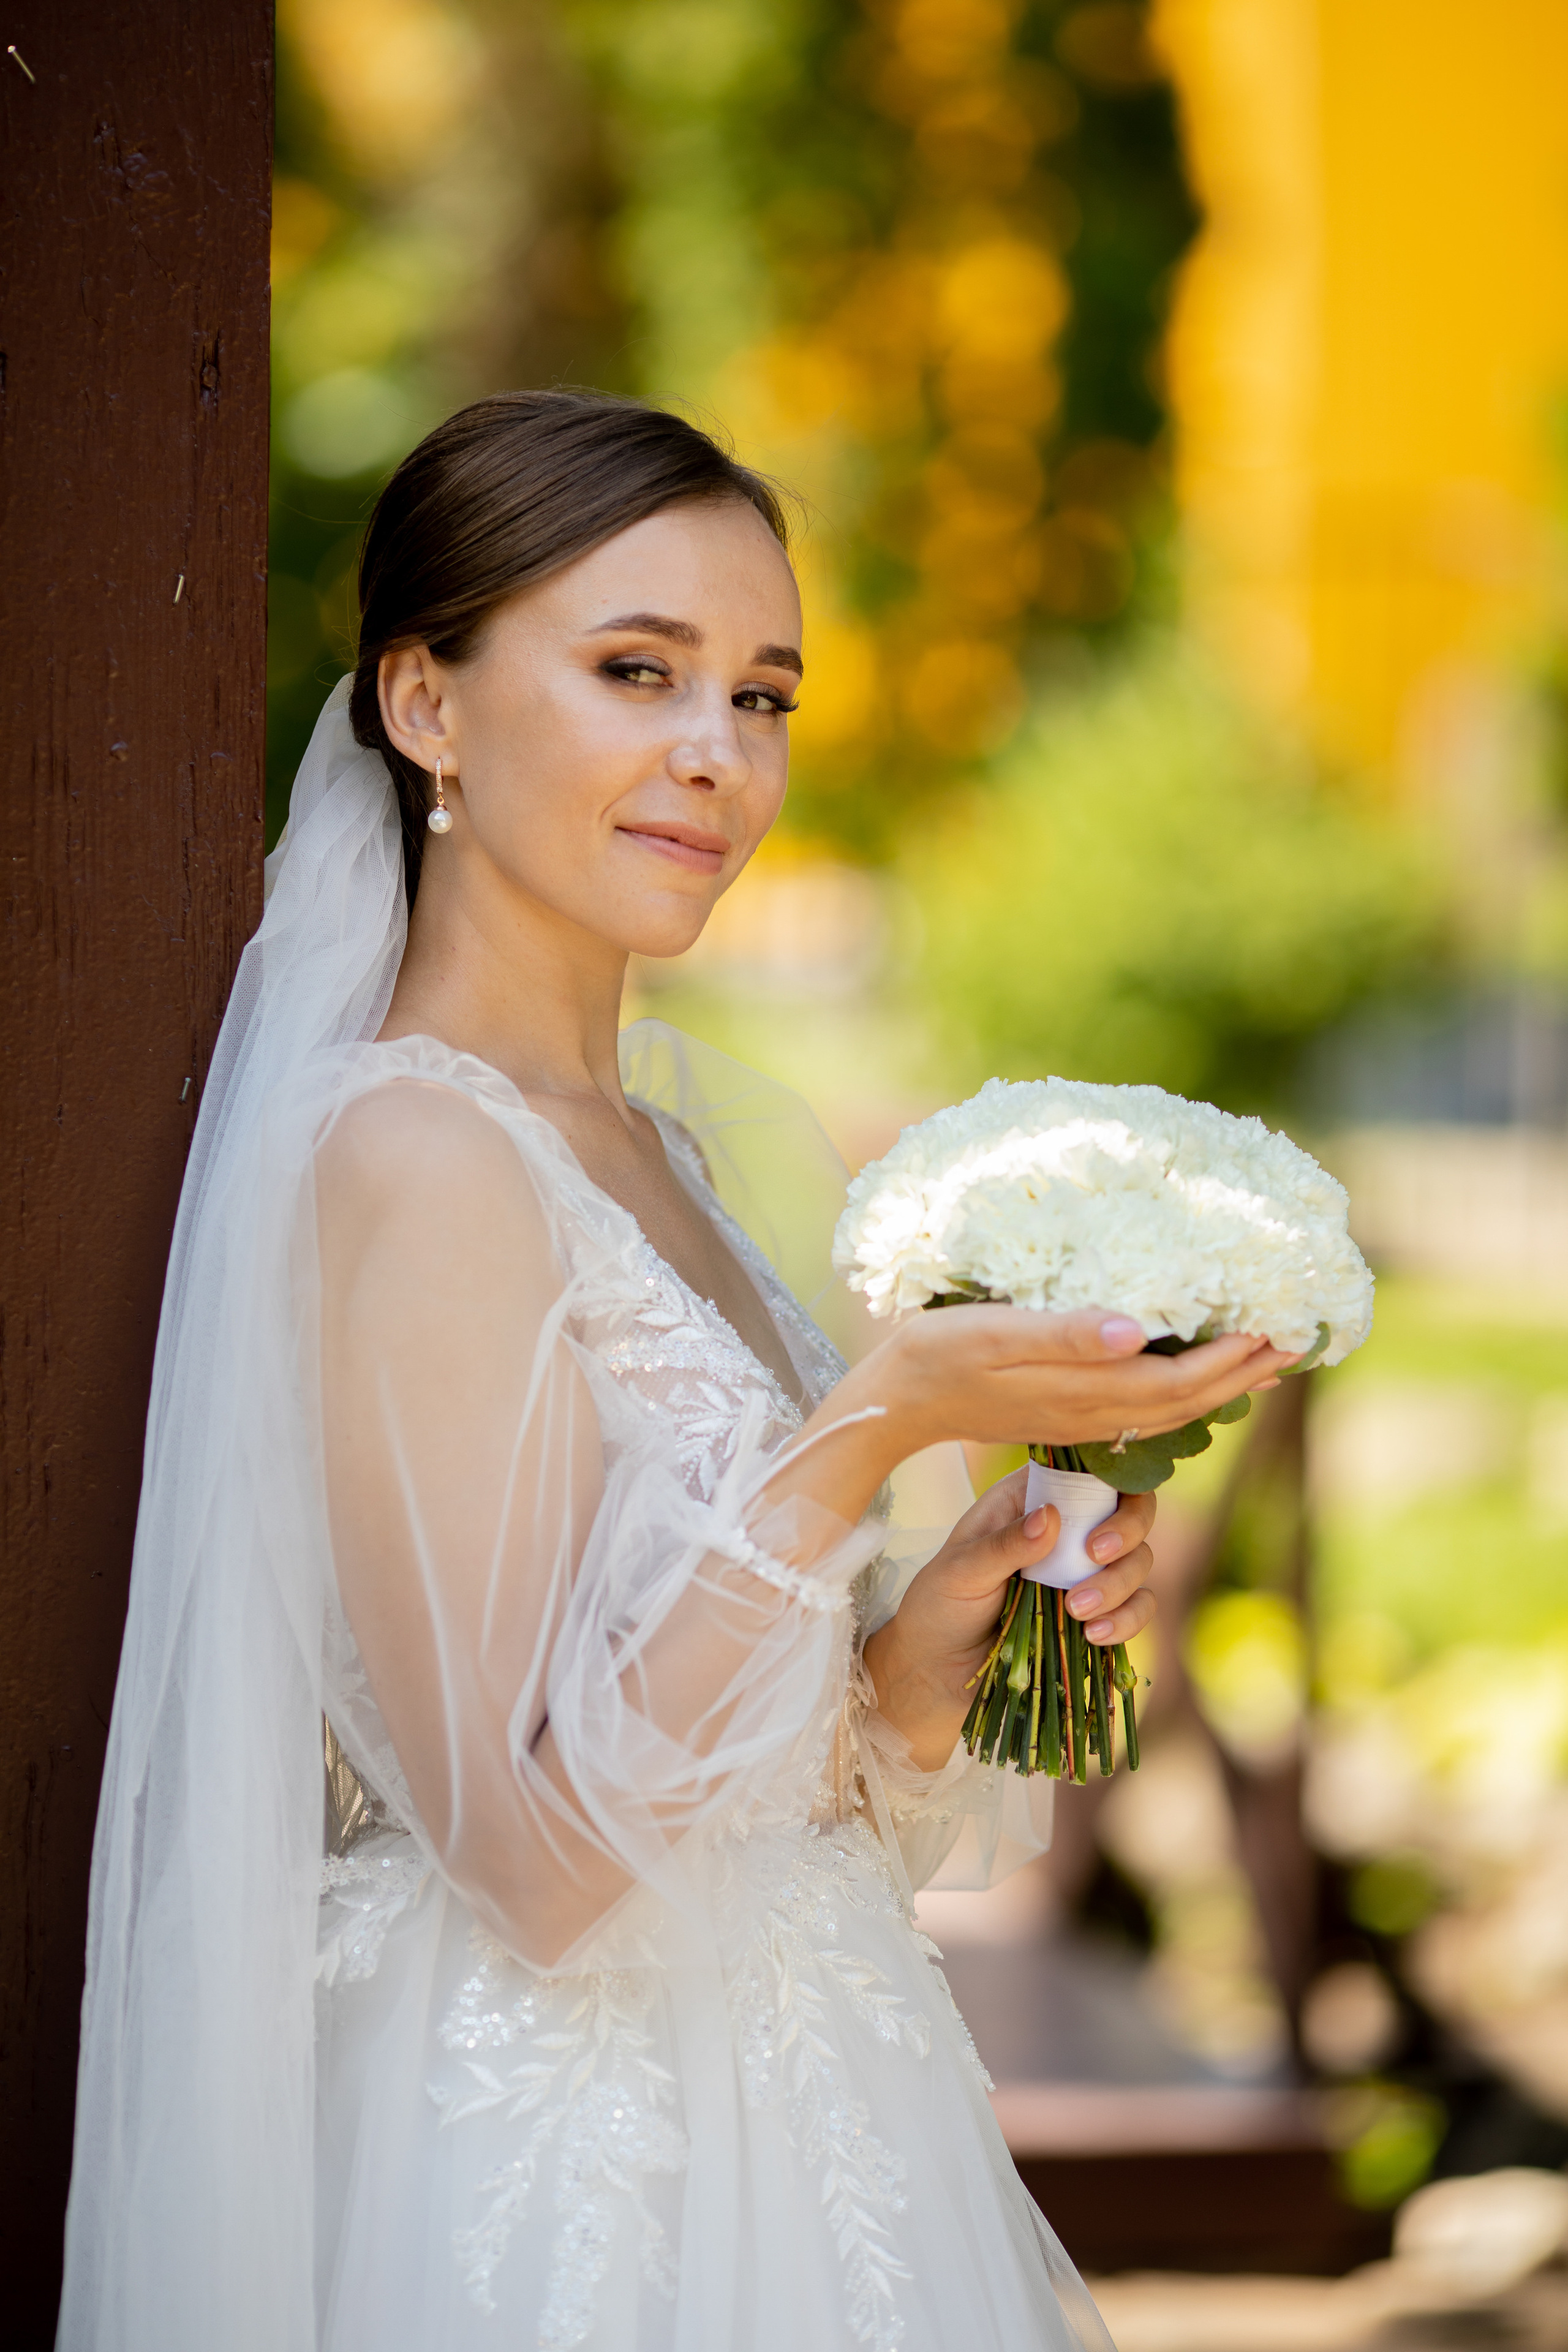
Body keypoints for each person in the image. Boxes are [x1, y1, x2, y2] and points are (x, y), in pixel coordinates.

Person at [57, 392, 1292, 2352]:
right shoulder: (413, 1152)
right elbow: (539, 1870)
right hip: (557, 2174)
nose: (716, 756)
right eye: (638, 671)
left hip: (824, 2111)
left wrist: (927, 1645)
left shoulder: (667, 1149)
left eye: (765, 696)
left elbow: (737, 1780)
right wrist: (880, 1420)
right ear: (426, 706)